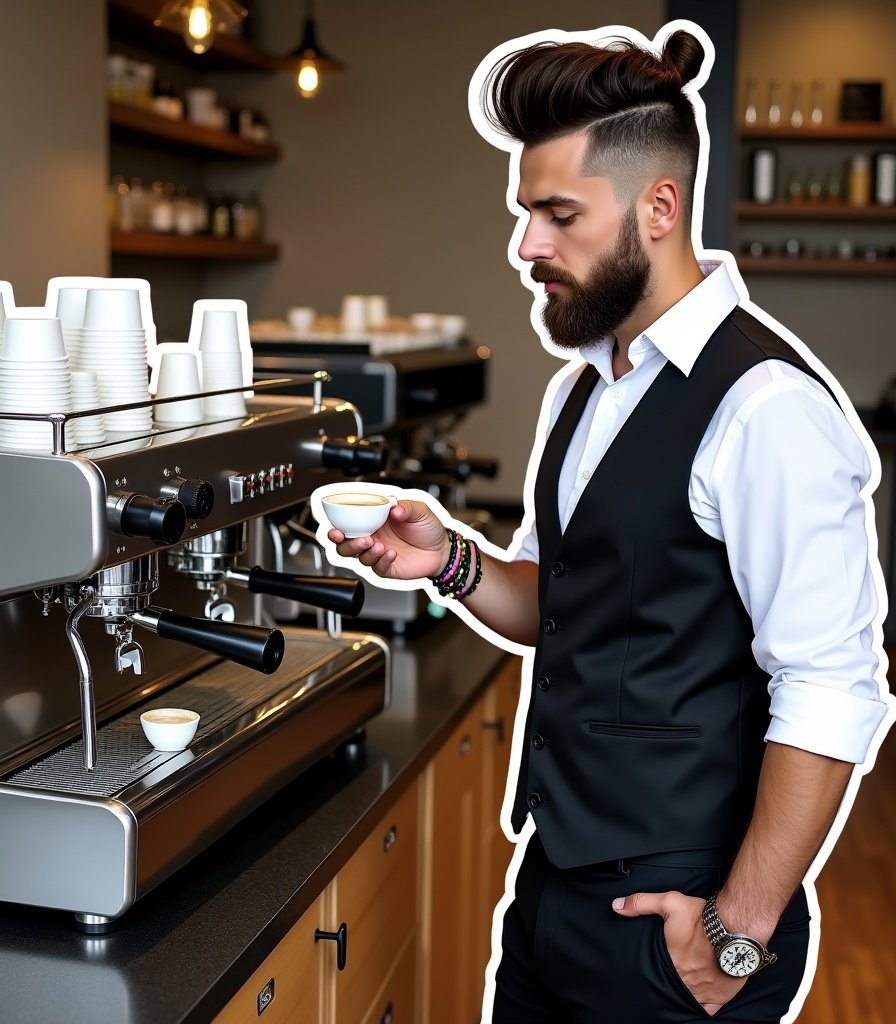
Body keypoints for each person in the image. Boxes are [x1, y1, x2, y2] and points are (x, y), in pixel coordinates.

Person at [321, 21, 892, 1024]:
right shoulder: (582, 390)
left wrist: (736, 932)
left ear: (658, 208)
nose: (526, 245)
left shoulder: (766, 407)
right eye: (523, 210)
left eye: (556, 214)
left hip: (682, 924)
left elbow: (831, 689)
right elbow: (563, 603)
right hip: (552, 890)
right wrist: (447, 558)